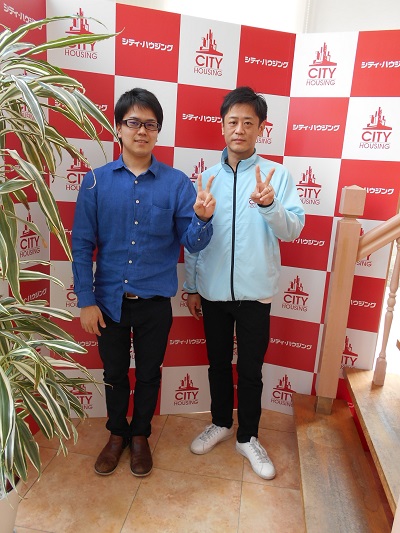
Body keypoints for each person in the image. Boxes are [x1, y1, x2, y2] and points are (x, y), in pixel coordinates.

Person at [72, 88, 215, 477]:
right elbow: (81, 245)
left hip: (154, 302)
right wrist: (85, 299)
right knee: (114, 374)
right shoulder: (95, 182)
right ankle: (116, 434)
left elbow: (192, 243)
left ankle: (139, 437)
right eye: (133, 122)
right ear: (119, 128)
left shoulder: (177, 184)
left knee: (150, 373)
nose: (141, 131)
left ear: (158, 131)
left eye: (150, 124)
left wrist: (202, 220)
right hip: (108, 302)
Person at [184, 86, 305, 480]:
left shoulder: (277, 176)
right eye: (232, 121)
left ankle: (248, 436)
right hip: (213, 293)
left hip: (256, 294)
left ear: (260, 129)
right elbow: (195, 240)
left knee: (251, 369)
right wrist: (192, 286)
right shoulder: (206, 177)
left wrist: (269, 205)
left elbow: (292, 230)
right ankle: (221, 422)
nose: (239, 129)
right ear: (222, 126)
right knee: (218, 364)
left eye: (248, 123)